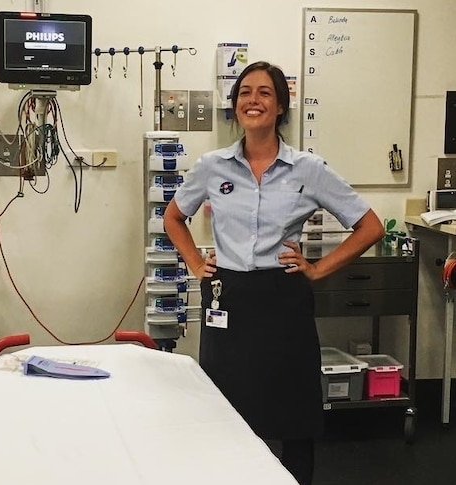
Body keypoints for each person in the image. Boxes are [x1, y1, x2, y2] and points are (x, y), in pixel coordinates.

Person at [162, 61, 385, 485]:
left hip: (283, 300)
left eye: (265, 92)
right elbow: (173, 217)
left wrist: (318, 269)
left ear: (281, 105)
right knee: (224, 409)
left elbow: (369, 226)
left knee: (293, 412)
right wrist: (195, 263)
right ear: (235, 105)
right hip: (228, 297)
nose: (254, 100)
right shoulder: (212, 166)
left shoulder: (308, 169)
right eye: (245, 92)